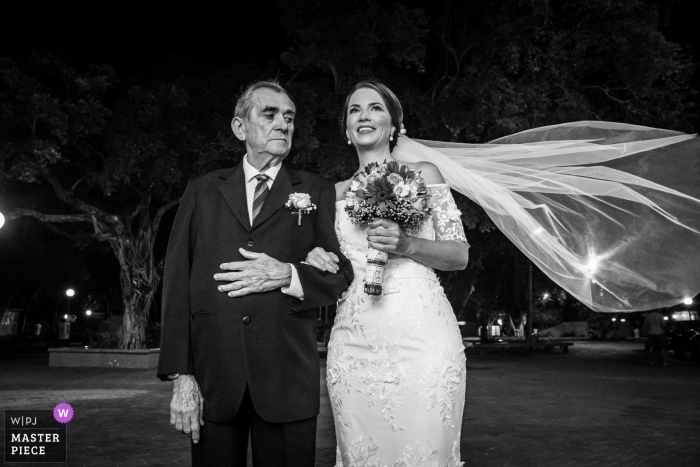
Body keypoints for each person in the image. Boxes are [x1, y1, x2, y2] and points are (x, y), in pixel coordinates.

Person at [157, 80, 353, 467]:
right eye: (270, 114)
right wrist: (181, 375)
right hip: (215, 380)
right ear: (239, 127)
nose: (283, 124)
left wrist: (289, 275)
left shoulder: (315, 190)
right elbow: (177, 284)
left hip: (287, 379)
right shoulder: (201, 191)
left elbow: (339, 273)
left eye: (289, 117)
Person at [306, 81, 470, 466]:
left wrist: (408, 245)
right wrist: (316, 258)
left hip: (422, 336)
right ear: (346, 130)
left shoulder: (424, 174)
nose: (364, 115)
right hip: (354, 341)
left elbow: (459, 254)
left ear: (394, 125)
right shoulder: (331, 195)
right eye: (354, 110)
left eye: (375, 108)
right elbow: (335, 269)